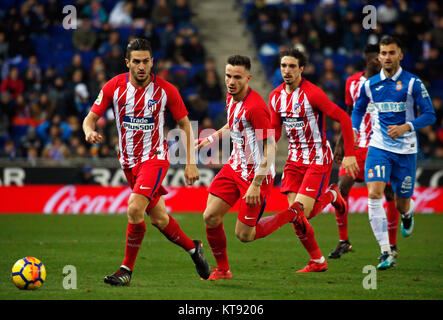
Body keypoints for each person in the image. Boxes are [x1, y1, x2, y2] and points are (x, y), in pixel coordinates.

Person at [82, 38, 210, 286]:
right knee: (159, 219)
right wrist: (88, 131)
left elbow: (184, 124)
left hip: (154, 159)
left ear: (153, 62)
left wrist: (190, 162)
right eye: (137, 61)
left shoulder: (166, 90)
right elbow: (90, 118)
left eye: (146, 61)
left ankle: (126, 270)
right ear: (127, 62)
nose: (142, 66)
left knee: (133, 209)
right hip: (128, 163)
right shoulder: (114, 86)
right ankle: (194, 249)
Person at [196, 55, 300, 280]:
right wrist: (211, 138)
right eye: (228, 76)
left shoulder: (256, 108)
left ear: (248, 78)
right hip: (235, 166)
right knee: (210, 216)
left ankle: (291, 213)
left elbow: (270, 149)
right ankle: (223, 270)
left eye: (237, 77)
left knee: (245, 235)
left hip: (256, 175)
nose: (231, 81)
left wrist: (255, 185)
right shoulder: (230, 96)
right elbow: (232, 124)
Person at [269, 48, 359, 273]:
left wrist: (349, 154)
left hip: (317, 158)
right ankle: (318, 261)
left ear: (301, 69)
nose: (287, 71)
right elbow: (275, 130)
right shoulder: (275, 96)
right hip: (293, 159)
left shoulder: (313, 94)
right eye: (283, 66)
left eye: (292, 66)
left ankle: (331, 194)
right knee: (296, 216)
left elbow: (344, 118)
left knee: (303, 213)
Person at [351, 36, 436, 270]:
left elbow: (430, 115)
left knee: (401, 204)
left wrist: (406, 127)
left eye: (391, 53)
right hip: (378, 146)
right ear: (378, 57)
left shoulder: (413, 83)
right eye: (383, 53)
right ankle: (385, 251)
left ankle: (408, 214)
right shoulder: (370, 84)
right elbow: (357, 109)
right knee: (374, 193)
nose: (387, 57)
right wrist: (354, 129)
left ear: (400, 55)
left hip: (406, 149)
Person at [329, 44, 401, 259]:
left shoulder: (392, 83)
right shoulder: (352, 82)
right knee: (341, 190)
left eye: (377, 57)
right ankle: (343, 241)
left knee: (389, 194)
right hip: (357, 146)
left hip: (381, 146)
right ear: (366, 58)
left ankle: (392, 245)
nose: (375, 61)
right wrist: (341, 143)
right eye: (371, 57)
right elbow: (349, 114)